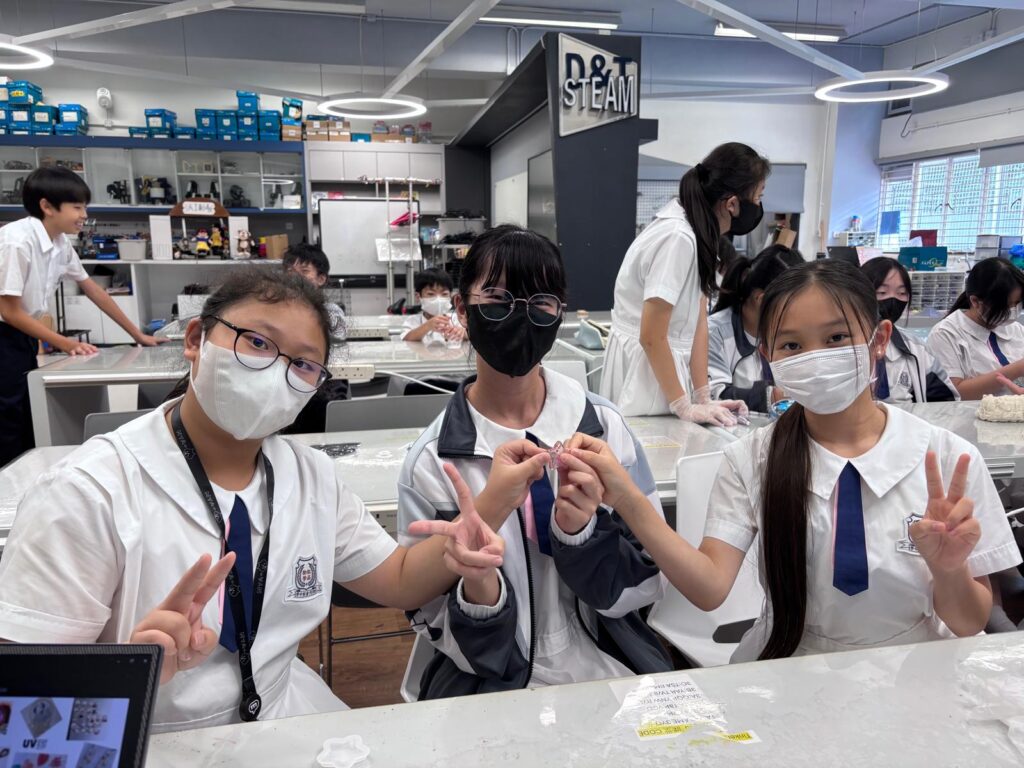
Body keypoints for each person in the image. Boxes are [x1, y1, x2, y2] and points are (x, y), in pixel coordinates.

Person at [0, 268, 500, 731]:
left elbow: (399, 579)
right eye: (257, 342)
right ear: (196, 340)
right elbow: (20, 709)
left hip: (286, 712)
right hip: (144, 733)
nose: (275, 371)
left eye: (303, 364)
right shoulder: (87, 492)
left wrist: (482, 515)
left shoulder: (309, 476)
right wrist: (126, 674)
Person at [570, 260, 1020, 661]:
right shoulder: (752, 458)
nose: (816, 358)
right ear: (768, 356)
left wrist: (949, 569)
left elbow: (968, 623)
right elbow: (709, 589)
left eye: (836, 338)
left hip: (915, 664)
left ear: (879, 339)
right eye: (791, 345)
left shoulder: (948, 460)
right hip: (792, 661)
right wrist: (629, 499)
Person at [399, 225, 670, 698]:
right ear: (461, 307)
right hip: (489, 679)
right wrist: (480, 585)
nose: (521, 314)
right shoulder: (433, 460)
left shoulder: (602, 427)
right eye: (498, 297)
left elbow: (648, 578)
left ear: (560, 311)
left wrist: (583, 537)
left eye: (541, 300)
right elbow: (431, 617)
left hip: (610, 658)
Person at [0, 167, 166, 466]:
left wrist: (137, 334)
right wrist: (65, 342)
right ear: (47, 206)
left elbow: (94, 290)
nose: (84, 215)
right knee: (7, 416)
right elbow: (9, 312)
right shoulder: (16, 242)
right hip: (5, 334)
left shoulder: (60, 243)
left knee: (25, 409)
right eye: (77, 207)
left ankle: (27, 470)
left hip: (22, 334)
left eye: (84, 207)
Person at [600, 142, 770, 425]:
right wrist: (684, 405)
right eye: (758, 196)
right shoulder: (677, 238)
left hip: (666, 376)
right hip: (648, 376)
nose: (760, 205)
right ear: (732, 204)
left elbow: (698, 323)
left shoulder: (699, 234)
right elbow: (651, 335)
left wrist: (703, 397)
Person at [708, 244, 803, 412]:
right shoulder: (714, 333)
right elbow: (714, 395)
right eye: (791, 305)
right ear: (761, 299)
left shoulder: (784, 332)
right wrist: (771, 397)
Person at [860, 256, 957, 403]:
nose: (892, 299)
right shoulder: (840, 347)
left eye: (901, 293)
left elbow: (946, 403)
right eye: (882, 292)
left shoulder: (917, 350)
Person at [926, 257, 1024, 399]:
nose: (1013, 310)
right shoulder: (945, 334)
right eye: (1005, 305)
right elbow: (954, 392)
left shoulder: (1016, 329)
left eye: (1017, 303)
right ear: (975, 301)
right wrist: (1018, 369)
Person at [283, 242, 345, 338]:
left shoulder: (331, 312)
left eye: (304, 271)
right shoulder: (279, 309)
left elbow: (336, 344)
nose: (295, 277)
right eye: (290, 271)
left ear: (321, 279)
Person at [401, 268, 465, 344]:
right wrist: (427, 326)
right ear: (418, 297)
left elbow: (472, 334)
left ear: (450, 296)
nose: (438, 299)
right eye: (431, 294)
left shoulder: (456, 319)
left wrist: (463, 333)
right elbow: (406, 338)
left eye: (444, 294)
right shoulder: (413, 321)